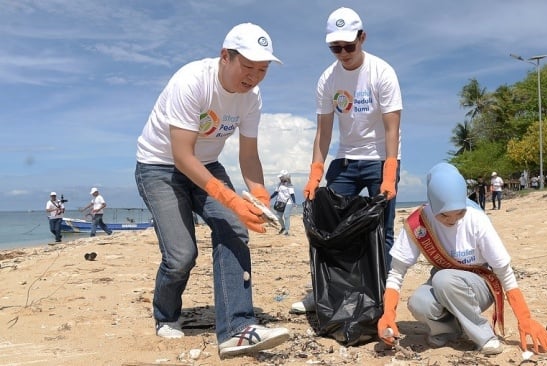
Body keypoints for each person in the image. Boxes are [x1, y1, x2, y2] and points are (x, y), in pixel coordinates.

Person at [134, 23, 289, 357]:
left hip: (207, 164)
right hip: (159, 166)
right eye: (247, 67)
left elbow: (248, 155)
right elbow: (182, 156)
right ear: (225, 57)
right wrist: (230, 197)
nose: (254, 77)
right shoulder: (192, 81)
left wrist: (260, 197)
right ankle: (166, 314)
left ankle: (237, 327)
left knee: (233, 228)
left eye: (262, 70)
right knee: (181, 256)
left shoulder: (252, 97)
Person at [377, 162, 547, 355]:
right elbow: (396, 272)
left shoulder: (477, 219)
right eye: (444, 216)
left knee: (443, 279)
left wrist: (524, 318)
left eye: (460, 213)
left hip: (480, 284)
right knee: (419, 302)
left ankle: (485, 337)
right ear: (431, 205)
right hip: (444, 283)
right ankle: (447, 331)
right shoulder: (419, 222)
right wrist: (388, 314)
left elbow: (504, 272)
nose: (452, 220)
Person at [296, 7, 403, 314]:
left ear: (362, 38)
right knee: (331, 226)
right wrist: (315, 173)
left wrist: (389, 171)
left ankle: (381, 295)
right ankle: (329, 293)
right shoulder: (327, 80)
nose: (342, 53)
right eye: (335, 47)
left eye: (348, 46)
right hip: (345, 160)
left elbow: (391, 127)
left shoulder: (382, 72)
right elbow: (323, 131)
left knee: (382, 229)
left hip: (380, 158)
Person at [270, 170, 296, 236]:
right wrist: (269, 198)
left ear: (285, 177)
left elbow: (292, 194)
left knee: (286, 216)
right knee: (278, 217)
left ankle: (287, 231)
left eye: (281, 177)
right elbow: (276, 192)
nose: (280, 178)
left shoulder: (289, 185)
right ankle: (283, 228)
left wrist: (294, 203)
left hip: (288, 202)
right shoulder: (279, 184)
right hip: (280, 202)